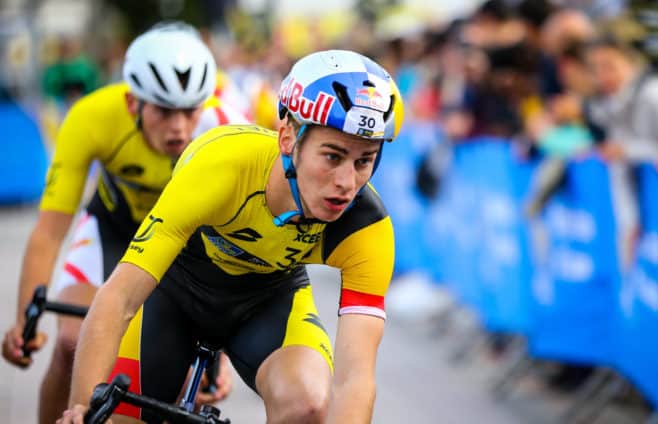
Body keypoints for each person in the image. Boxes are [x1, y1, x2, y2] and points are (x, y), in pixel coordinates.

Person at [59, 49, 403, 424]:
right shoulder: (222, 167)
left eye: (364, 160)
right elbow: (120, 295)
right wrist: (81, 407)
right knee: (113, 417)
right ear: (288, 137)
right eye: (333, 156)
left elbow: (355, 379)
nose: (346, 183)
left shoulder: (367, 227)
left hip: (268, 300)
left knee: (308, 404)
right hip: (176, 291)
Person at [1, 22, 242, 423]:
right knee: (71, 344)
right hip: (112, 227)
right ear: (134, 104)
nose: (179, 127)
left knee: (184, 374)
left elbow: (241, 250)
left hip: (185, 247)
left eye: (189, 111)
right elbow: (49, 231)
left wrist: (223, 356)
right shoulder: (92, 117)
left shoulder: (227, 131)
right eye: (164, 111)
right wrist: (25, 321)